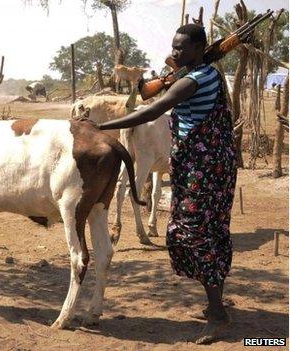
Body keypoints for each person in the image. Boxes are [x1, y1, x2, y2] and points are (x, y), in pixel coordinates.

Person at [98, 24, 237, 345]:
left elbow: (152, 110)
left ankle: (218, 314)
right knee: (211, 231)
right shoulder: (208, 73)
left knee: (190, 233)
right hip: (214, 164)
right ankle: (215, 302)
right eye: (174, 47)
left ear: (201, 49)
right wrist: (176, 67)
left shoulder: (194, 80)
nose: (175, 53)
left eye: (182, 48)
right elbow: (156, 89)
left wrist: (101, 126)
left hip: (202, 168)